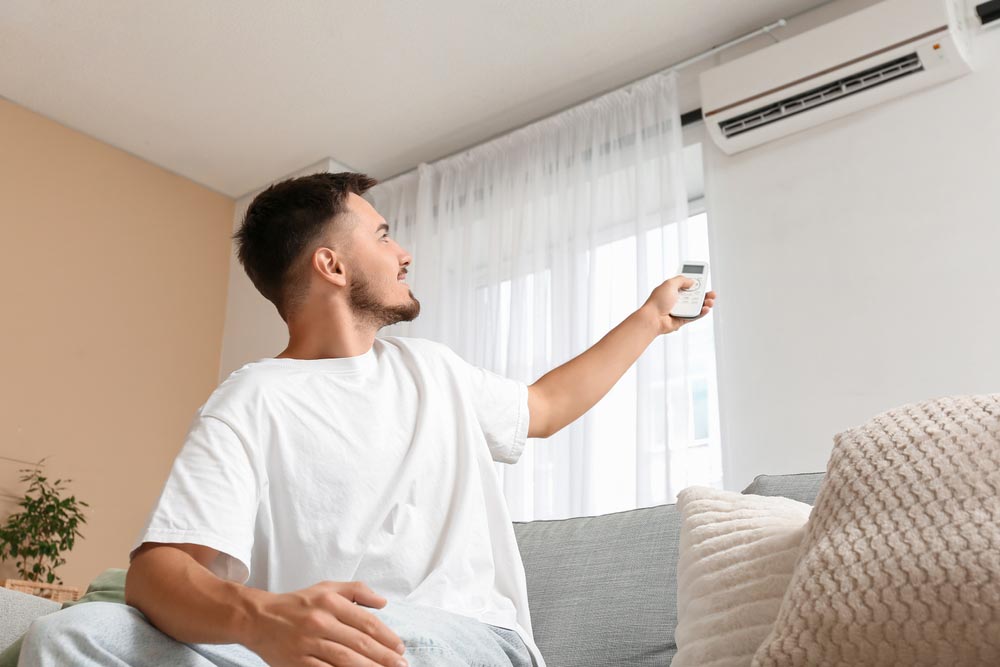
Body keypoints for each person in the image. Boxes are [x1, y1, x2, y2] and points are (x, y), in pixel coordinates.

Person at [19, 172, 716, 667]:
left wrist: (651, 318)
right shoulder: (252, 400)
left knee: (363, 647)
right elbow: (158, 571)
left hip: (467, 640)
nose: (403, 252)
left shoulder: (433, 371)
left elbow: (546, 407)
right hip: (308, 646)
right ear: (330, 265)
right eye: (383, 235)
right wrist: (264, 619)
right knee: (68, 639)